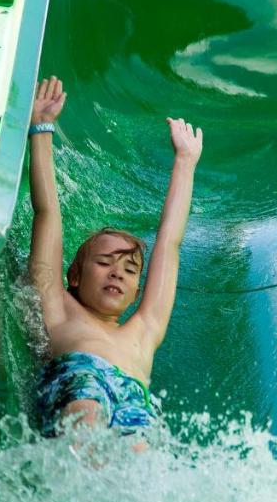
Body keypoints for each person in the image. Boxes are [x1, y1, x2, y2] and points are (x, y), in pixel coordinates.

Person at [25, 76, 202, 437]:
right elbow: (48, 214)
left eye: (130, 269)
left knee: (140, 446)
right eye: (104, 263)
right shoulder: (58, 309)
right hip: (80, 383)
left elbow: (169, 242)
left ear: (138, 290)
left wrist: (185, 162)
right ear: (74, 276)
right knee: (86, 411)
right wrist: (41, 128)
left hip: (133, 400)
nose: (117, 273)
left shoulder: (145, 330)